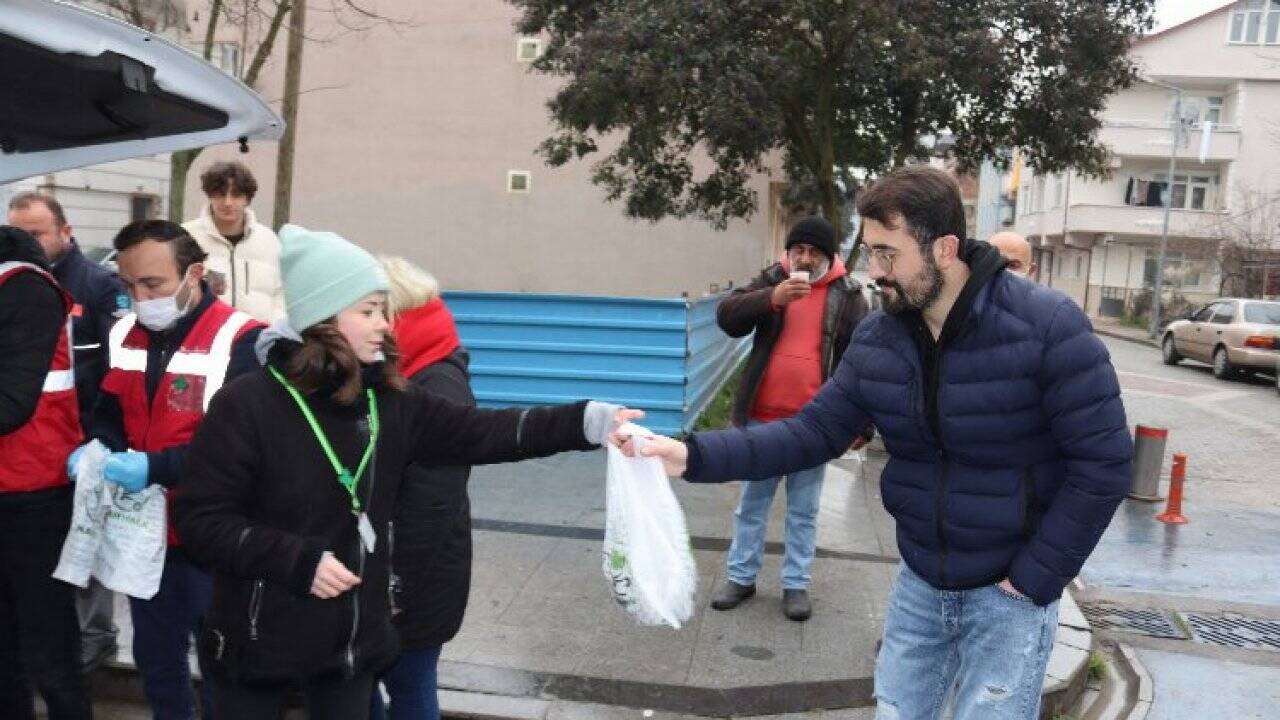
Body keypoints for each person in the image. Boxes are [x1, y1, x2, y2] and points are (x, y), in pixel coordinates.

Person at [623, 166, 1133, 720]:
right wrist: (691, 455)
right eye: (870, 252)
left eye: (889, 254)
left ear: (944, 249)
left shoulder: (1048, 326)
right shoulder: (881, 337)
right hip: (920, 582)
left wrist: (1035, 579)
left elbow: (1103, 463)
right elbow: (812, 432)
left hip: (1010, 594)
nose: (875, 271)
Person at [174, 225, 638, 720]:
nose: (385, 326)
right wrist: (295, 559)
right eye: (369, 311)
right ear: (322, 319)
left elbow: (484, 432)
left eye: (385, 311)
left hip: (348, 651)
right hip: (255, 646)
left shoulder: (389, 400)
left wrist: (587, 422)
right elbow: (201, 520)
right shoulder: (247, 405)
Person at [70, 219, 266, 720]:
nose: (141, 296)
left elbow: (238, 451)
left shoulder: (243, 341)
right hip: (146, 536)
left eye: (153, 284)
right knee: (157, 661)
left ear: (194, 273)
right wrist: (98, 446)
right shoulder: (124, 335)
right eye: (129, 285)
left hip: (214, 537)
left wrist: (154, 466)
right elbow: (110, 412)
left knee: (227, 664)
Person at [710, 216, 871, 621]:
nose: (804, 258)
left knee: (803, 509)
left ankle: (795, 585)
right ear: (787, 251)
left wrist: (861, 423)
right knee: (752, 503)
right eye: (797, 249)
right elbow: (727, 318)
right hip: (762, 420)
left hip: (813, 425)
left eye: (813, 251)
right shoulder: (770, 279)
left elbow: (866, 361)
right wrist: (772, 298)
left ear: (828, 255)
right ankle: (740, 577)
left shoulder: (849, 294)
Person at [8, 191, 130, 673]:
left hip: (84, 434)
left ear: (65, 232)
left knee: (89, 540)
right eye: (20, 232)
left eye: (36, 232)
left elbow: (118, 359)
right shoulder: (14, 285)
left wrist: (104, 430)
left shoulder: (96, 285)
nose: (28, 241)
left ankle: (96, 634)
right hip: (33, 446)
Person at [365, 257, 472, 720]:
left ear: (394, 313)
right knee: (356, 681)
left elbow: (432, 503)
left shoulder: (436, 382)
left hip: (412, 582)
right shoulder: (408, 367)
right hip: (392, 573)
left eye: (371, 310)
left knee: (408, 687)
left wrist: (395, 590)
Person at [0, 225, 93, 720]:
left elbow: (11, 403)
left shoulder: (25, 287)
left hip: (34, 496)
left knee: (49, 653)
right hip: (12, 485)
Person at [182, 161, 283, 322]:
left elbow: (281, 292)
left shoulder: (269, 240)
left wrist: (275, 327)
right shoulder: (186, 236)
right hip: (204, 338)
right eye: (221, 194)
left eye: (236, 195)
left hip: (259, 339)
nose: (228, 202)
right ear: (210, 196)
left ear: (247, 199)